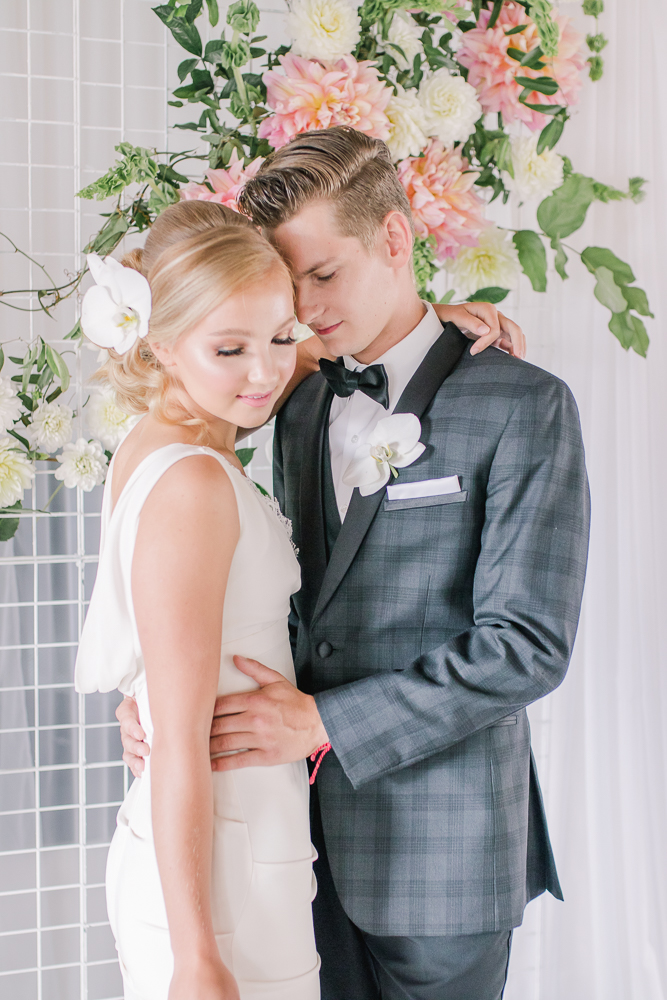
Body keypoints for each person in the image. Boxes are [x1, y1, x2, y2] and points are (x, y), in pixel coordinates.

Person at [118, 126, 587, 1000]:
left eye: (323, 275)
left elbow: (527, 646)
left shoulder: (523, 406)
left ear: (397, 238)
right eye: (289, 281)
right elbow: (276, 597)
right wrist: (160, 691)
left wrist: (323, 724)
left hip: (443, 858)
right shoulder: (289, 402)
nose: (305, 306)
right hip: (288, 842)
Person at [76, 217, 323, 1000]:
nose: (267, 372)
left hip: (237, 843)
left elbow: (275, 348)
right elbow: (176, 744)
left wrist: (438, 323)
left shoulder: (164, 439)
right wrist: (195, 958)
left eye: (281, 336)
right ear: (157, 347)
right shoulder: (192, 483)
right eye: (229, 350)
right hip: (219, 881)